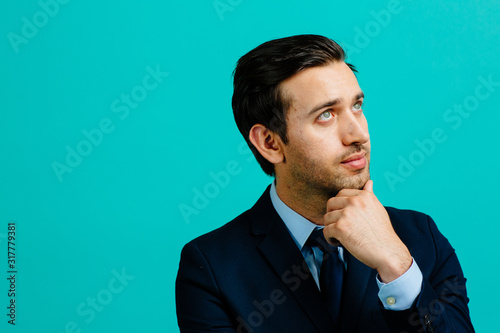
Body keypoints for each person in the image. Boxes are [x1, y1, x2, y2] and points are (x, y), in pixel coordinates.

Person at [175, 34, 474, 333]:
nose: (357, 134)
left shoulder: (421, 238)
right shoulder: (211, 267)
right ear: (270, 143)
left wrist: (397, 270)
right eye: (326, 115)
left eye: (357, 106)